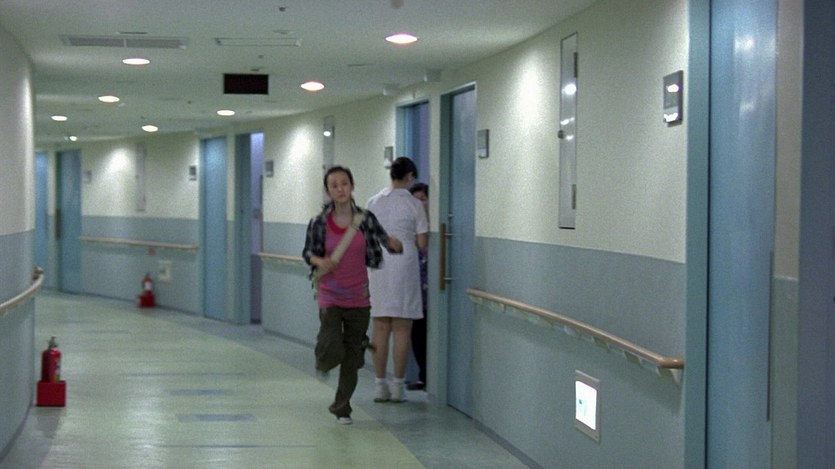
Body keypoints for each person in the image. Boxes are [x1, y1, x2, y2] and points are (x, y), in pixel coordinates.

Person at [302, 165, 403, 425]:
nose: (340, 189)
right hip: (330, 295)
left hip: (359, 296)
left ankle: (342, 408)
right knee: (332, 344)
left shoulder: (365, 219)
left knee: (351, 359)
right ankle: (326, 359)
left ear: (352, 186)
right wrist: (321, 261)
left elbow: (383, 239)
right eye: (334, 185)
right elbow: (308, 253)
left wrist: (394, 244)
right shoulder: (319, 222)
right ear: (328, 191)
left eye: (344, 183)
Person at [366, 157, 429, 403]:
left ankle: (379, 385)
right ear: (410, 176)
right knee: (402, 328)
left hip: (378, 266)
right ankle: (398, 386)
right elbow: (422, 243)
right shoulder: (415, 205)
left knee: (380, 327)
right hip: (404, 265)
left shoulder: (373, 202)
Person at [407, 182, 429, 391]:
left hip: (433, 294)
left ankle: (431, 377)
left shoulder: (436, 229)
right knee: (417, 335)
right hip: (414, 293)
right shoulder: (407, 230)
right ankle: (423, 375)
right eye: (416, 200)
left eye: (423, 199)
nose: (420, 204)